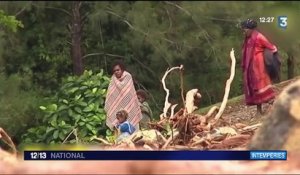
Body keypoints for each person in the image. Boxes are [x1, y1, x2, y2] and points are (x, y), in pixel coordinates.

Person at [240, 19, 277, 115]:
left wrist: (269, 60)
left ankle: (274, 105)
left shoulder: (259, 37)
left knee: (260, 88)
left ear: (250, 29)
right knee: (253, 88)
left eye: (245, 29)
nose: (244, 31)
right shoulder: (247, 39)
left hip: (259, 69)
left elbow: (272, 47)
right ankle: (259, 111)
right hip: (250, 68)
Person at [104, 60, 142, 131]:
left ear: (122, 69)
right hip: (117, 108)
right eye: (114, 70)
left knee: (131, 125)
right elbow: (111, 95)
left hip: (129, 106)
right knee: (119, 126)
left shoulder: (128, 76)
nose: (116, 72)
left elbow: (130, 94)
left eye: (118, 70)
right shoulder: (113, 79)